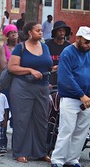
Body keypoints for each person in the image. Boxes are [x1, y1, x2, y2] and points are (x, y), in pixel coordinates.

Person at [8, 21, 53, 163]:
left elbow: (46, 65)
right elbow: (12, 67)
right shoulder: (20, 47)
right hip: (23, 86)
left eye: (41, 30)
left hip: (42, 87)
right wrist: (30, 70)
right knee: (22, 119)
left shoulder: (45, 47)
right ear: (29, 32)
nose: (41, 32)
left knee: (41, 120)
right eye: (38, 30)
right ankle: (21, 152)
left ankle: (40, 152)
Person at [51, 26, 90, 167]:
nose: (88, 45)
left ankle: (72, 159)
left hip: (87, 99)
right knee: (66, 130)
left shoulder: (89, 51)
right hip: (71, 97)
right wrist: (81, 95)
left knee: (81, 131)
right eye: (86, 42)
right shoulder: (67, 52)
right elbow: (65, 78)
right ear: (78, 38)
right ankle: (57, 159)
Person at [46, 21, 71, 88]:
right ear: (55, 32)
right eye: (59, 30)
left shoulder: (69, 47)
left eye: (63, 30)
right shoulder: (47, 45)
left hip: (64, 79)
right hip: (50, 79)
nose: (62, 33)